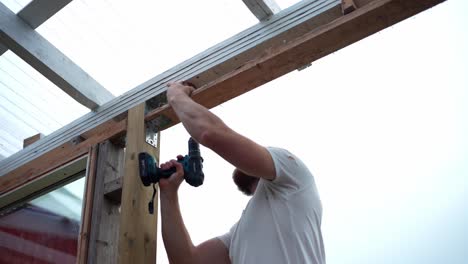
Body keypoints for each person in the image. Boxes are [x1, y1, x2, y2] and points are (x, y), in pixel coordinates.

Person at [158, 81, 325, 264]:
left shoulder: (291, 170)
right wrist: (168, 192)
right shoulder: (239, 236)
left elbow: (210, 133)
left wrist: (176, 96)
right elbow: (185, 261)